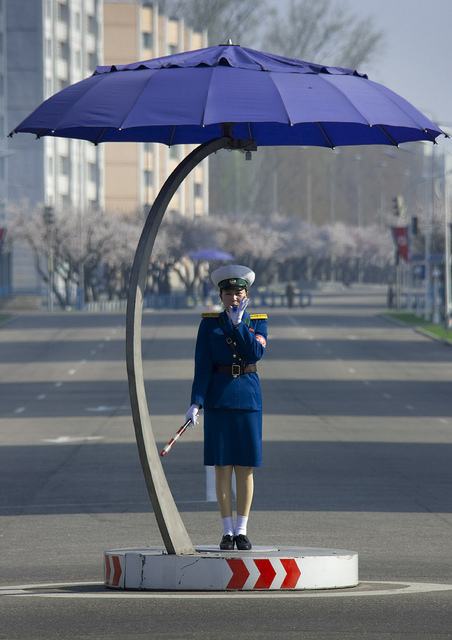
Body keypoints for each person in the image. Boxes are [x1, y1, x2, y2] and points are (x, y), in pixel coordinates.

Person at [185, 265, 268, 551]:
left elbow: (255, 352)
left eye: (239, 293)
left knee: (245, 467)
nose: (234, 298)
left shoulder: (257, 321)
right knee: (222, 466)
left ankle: (242, 530)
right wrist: (196, 401)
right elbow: (202, 365)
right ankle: (226, 530)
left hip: (247, 398)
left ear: (247, 295)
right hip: (219, 398)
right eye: (229, 293)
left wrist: (239, 325)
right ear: (220, 295)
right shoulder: (209, 324)